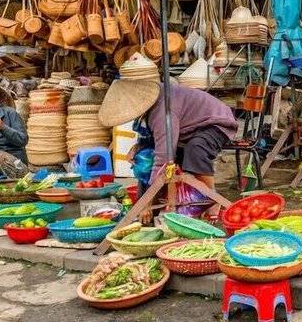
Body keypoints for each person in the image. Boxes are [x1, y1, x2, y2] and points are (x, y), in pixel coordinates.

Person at [99, 53, 238, 219]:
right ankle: (150, 206)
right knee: (145, 159)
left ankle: (212, 199)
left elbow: (163, 157)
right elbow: (153, 140)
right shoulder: (149, 107)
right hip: (189, 128)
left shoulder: (162, 110)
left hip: (216, 122)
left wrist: (148, 204)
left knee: (195, 149)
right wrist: (138, 147)